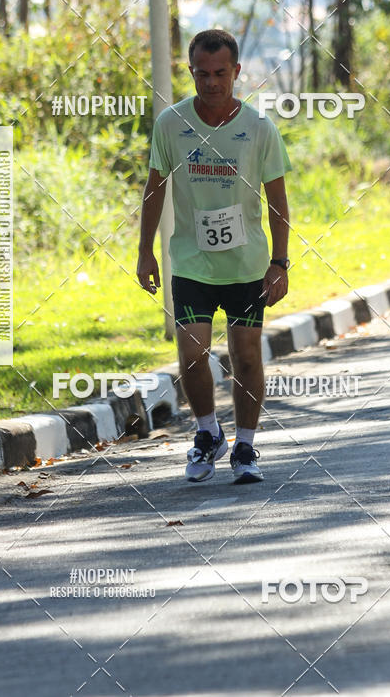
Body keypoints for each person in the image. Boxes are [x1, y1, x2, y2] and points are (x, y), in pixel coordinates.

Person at [137, 29, 291, 483]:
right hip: (191, 262)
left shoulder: (259, 129)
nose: (211, 83)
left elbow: (278, 202)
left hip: (245, 266)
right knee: (190, 355)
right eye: (202, 74)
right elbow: (155, 188)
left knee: (246, 358)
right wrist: (146, 252)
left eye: (220, 73)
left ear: (237, 72)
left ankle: (245, 447)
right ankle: (207, 434)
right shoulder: (171, 124)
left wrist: (279, 263)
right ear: (192, 73)